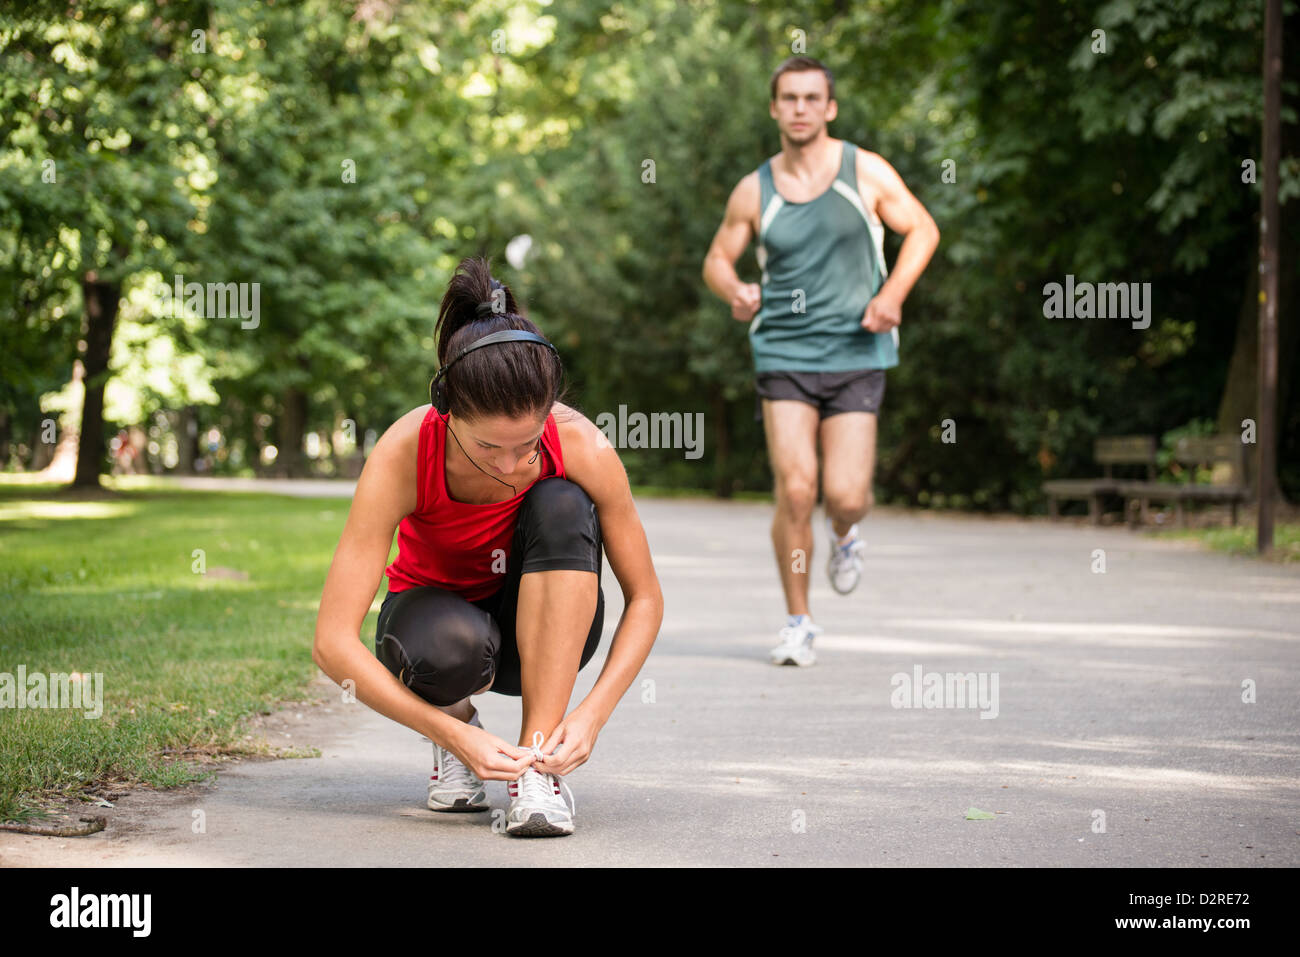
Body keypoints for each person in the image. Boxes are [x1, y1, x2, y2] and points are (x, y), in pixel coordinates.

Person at [312, 257, 663, 837]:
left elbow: (645, 597)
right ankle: (453, 734)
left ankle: (537, 766)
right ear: (446, 409)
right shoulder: (405, 453)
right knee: (449, 645)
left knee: (562, 502)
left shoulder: (581, 445)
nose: (510, 465)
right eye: (487, 447)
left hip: (543, 633)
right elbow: (330, 643)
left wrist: (592, 716)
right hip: (438, 631)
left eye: (526, 443)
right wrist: (452, 733)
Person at [702, 56, 939, 667]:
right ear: (775, 108)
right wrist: (736, 290)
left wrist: (892, 296)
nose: (801, 108)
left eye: (812, 98)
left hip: (857, 350)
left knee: (846, 494)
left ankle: (847, 533)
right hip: (782, 349)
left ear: (829, 108)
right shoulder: (755, 189)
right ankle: (799, 621)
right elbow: (718, 259)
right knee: (797, 489)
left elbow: (923, 231)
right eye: (790, 98)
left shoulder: (866, 171)